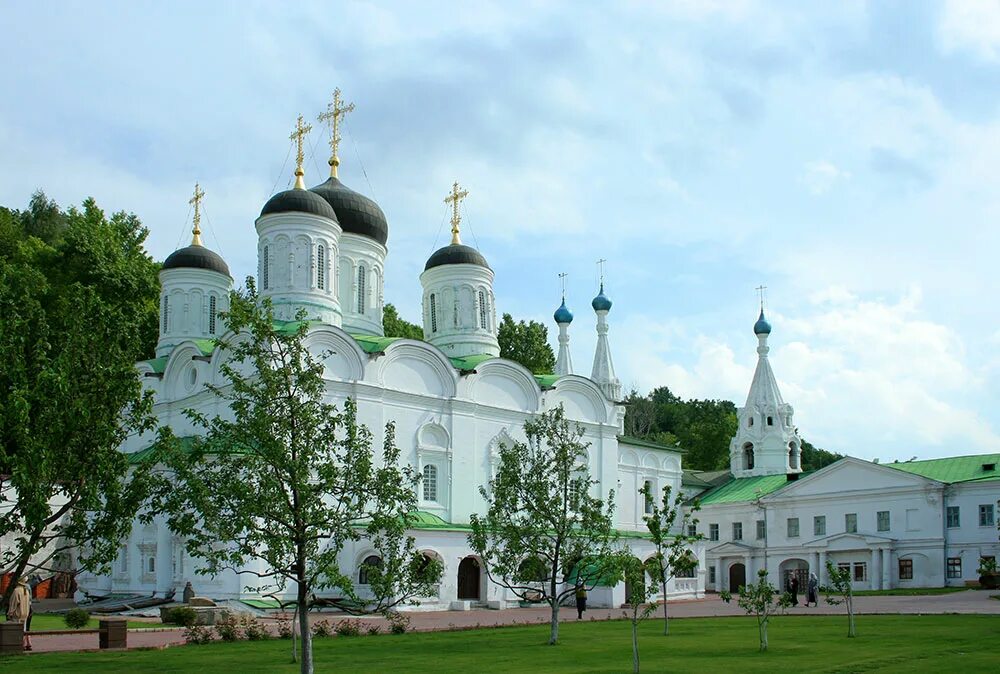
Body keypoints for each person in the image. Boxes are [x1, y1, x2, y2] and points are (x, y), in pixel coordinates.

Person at [7, 576, 32, 651]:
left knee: (16, 631)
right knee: (23, 630)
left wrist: (10, 613)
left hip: (17, 614)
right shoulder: (26, 590)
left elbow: (13, 604)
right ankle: (23, 645)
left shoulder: (16, 591)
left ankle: (17, 645)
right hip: (25, 613)